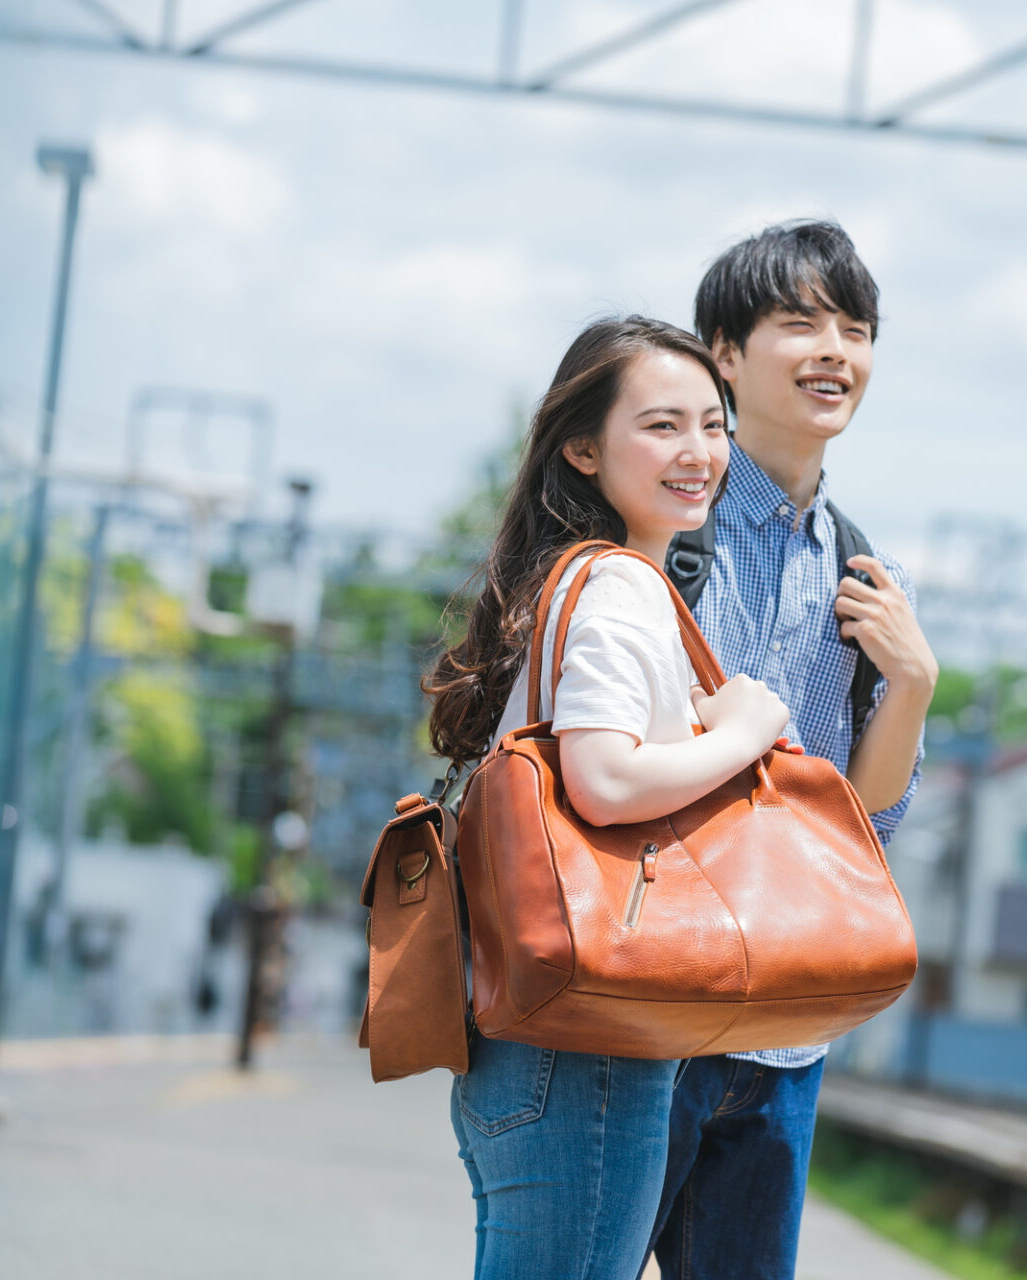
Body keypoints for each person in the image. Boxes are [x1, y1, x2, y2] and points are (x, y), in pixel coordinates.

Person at [423, 316, 792, 1280]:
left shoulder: (568, 581)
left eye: (713, 426)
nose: (699, 453)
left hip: (539, 1040)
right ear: (582, 449)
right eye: (662, 426)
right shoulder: (622, 586)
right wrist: (744, 733)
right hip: (583, 1046)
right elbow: (606, 777)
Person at [648, 220, 938, 1279]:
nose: (835, 352)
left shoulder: (870, 576)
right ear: (723, 353)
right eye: (802, 323)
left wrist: (913, 682)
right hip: (644, 1000)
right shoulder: (661, 532)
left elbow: (864, 826)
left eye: (856, 330)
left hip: (783, 1032)